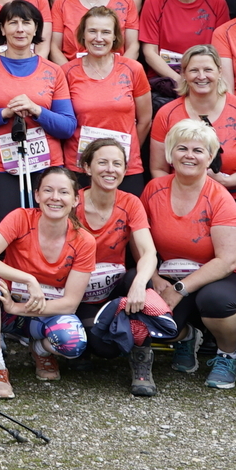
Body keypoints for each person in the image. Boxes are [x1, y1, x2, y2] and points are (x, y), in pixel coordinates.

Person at [140, 119, 236, 389]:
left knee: (215, 300)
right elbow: (141, 240)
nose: (189, 155)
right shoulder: (153, 190)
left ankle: (228, 355)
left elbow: (228, 260)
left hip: (225, 276)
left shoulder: (220, 198)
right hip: (171, 273)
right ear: (170, 153)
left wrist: (179, 289)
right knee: (149, 314)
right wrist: (153, 277)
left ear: (210, 157)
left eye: (198, 150)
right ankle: (186, 336)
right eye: (181, 148)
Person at [0, 166, 95, 392]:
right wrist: (28, 279)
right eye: (48, 190)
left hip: (42, 313)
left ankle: (40, 350)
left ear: (76, 199)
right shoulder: (20, 218)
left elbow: (70, 304)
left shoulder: (84, 241)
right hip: (4, 312)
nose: (55, 198)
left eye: (64, 192)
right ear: (37, 195)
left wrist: (16, 307)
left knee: (73, 343)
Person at [0, 0, 75, 232]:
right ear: (2, 29)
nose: (20, 29)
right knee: (3, 233)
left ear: (36, 28)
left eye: (26, 23)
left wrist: (37, 111)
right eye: (13, 23)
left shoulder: (53, 71)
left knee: (46, 233)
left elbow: (67, 126)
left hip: (47, 165)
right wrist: (5, 113)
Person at [75, 138, 160, 395]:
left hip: (112, 291)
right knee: (105, 348)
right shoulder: (71, 202)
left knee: (142, 279)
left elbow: (148, 252)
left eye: (117, 164)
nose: (110, 169)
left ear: (125, 170)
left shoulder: (130, 202)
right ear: (87, 167)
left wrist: (138, 287)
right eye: (102, 162)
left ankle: (141, 359)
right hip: (76, 292)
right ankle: (78, 346)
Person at [149, 45, 236, 207]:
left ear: (220, 72)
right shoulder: (166, 113)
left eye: (208, 70)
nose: (201, 76)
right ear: (183, 74)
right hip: (182, 197)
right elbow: (158, 169)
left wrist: (226, 181)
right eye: (194, 70)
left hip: (235, 196)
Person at [62, 6, 153, 194]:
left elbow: (144, 120)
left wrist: (126, 150)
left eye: (105, 32)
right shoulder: (66, 72)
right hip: (81, 167)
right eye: (92, 31)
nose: (98, 38)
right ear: (83, 35)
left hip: (124, 166)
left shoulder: (133, 69)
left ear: (115, 37)